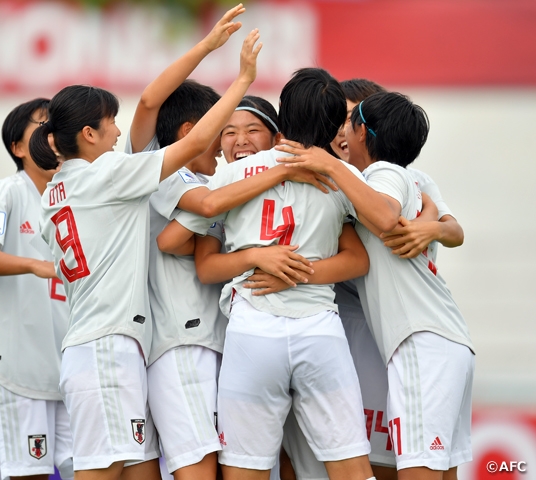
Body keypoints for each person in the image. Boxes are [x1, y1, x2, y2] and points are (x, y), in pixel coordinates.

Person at [30, 28, 262, 480]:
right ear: (88, 133)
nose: (119, 130)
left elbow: (151, 106)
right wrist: (242, 81)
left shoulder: (57, 190)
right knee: (101, 472)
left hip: (109, 343)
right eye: (110, 121)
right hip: (107, 346)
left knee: (138, 472)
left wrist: (207, 45)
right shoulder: (108, 174)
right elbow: (193, 144)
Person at [161, 68, 376, 480]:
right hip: (319, 331)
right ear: (334, 124)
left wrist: (261, 260)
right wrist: (301, 272)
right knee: (351, 467)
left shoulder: (232, 174)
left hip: (252, 331)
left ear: (282, 112)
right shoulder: (339, 177)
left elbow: (182, 246)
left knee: (246, 469)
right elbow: (359, 258)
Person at [263, 79, 463, 480]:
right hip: (393, 329)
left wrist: (433, 228)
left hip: (404, 335)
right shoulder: (359, 178)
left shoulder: (384, 175)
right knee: (425, 458)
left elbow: (439, 225)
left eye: (350, 118)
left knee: (399, 459)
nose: (341, 128)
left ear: (367, 130)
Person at [0, 98, 74, 480]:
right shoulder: (6, 192)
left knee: (97, 470)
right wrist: (34, 264)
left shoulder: (74, 197)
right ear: (19, 147)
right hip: (15, 372)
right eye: (43, 126)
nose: (53, 135)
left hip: (68, 376)